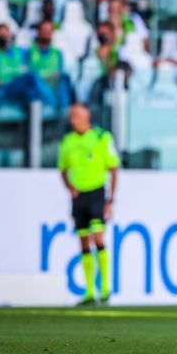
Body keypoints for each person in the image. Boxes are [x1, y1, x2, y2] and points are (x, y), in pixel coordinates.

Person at [58, 103, 119, 305]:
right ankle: (90, 291)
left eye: (76, 115)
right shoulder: (67, 141)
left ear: (87, 116)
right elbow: (63, 169)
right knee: (83, 240)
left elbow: (113, 169)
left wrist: (110, 199)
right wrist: (70, 187)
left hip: (97, 193)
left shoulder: (101, 137)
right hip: (79, 197)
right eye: (71, 116)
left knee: (98, 237)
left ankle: (106, 287)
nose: (73, 119)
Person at [0, 23, 56, 108]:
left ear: (11, 36)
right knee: (31, 77)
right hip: (4, 90)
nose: (4, 38)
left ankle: (43, 109)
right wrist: (1, 82)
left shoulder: (18, 52)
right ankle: (51, 101)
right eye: (1, 36)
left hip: (20, 88)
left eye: (6, 35)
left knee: (32, 90)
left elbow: (39, 54)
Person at [26, 20, 72, 109]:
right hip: (36, 86)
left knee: (64, 78)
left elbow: (59, 72)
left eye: (49, 31)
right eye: (44, 30)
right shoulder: (29, 51)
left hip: (53, 86)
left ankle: (64, 111)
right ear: (38, 32)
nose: (46, 33)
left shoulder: (57, 53)